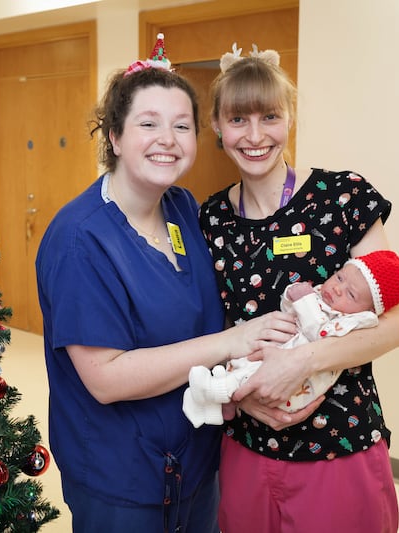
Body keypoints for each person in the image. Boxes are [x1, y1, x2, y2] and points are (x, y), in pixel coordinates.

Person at [35, 35, 290, 533]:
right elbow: (106, 379)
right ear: (114, 136)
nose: (167, 140)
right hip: (122, 482)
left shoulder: (183, 210)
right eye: (148, 124)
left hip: (196, 462)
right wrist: (232, 341)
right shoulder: (81, 239)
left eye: (181, 126)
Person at [199, 43, 399, 532]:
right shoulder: (210, 218)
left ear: (290, 117)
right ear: (216, 126)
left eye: (270, 117)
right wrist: (245, 394)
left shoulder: (343, 198)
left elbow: (396, 327)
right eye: (238, 120)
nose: (255, 136)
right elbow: (213, 326)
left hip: (338, 442)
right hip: (246, 445)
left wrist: (301, 361)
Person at [182, 248, 399, 427]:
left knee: (258, 374)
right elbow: (289, 307)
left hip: (299, 385)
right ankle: (223, 406)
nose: (337, 288)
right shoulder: (327, 297)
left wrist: (305, 301)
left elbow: (319, 333)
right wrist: (292, 295)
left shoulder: (357, 321)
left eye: (351, 294)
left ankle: (214, 391)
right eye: (340, 277)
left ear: (367, 310)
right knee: (251, 361)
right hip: (284, 352)